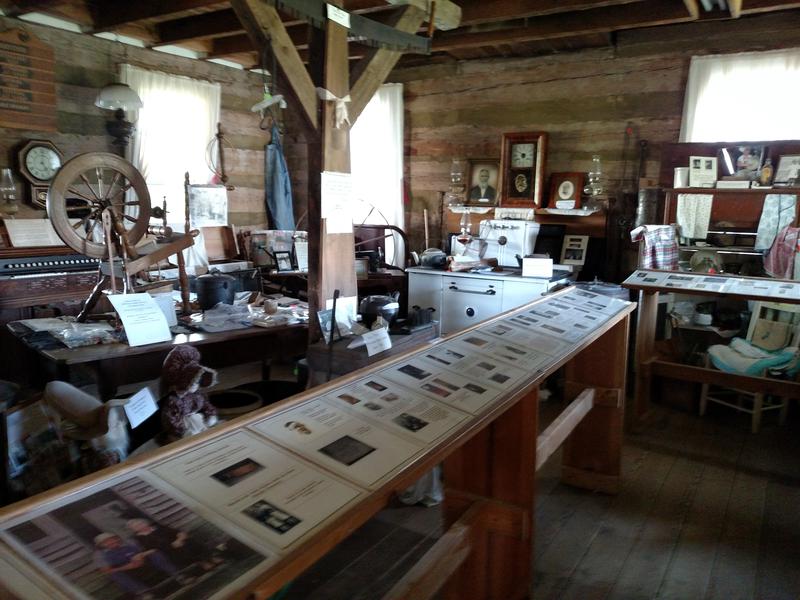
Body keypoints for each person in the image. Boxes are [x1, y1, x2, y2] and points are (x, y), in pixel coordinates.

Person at [94, 532, 179, 597]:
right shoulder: (100, 554)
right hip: (127, 571)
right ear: (102, 545)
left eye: (112, 539)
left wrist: (141, 555)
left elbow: (149, 550)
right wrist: (128, 566)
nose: (110, 542)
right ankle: (144, 592)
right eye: (106, 542)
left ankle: (177, 575)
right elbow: (106, 570)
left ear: (117, 538)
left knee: (155, 554)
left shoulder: (129, 542)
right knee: (114, 574)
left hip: (144, 563)